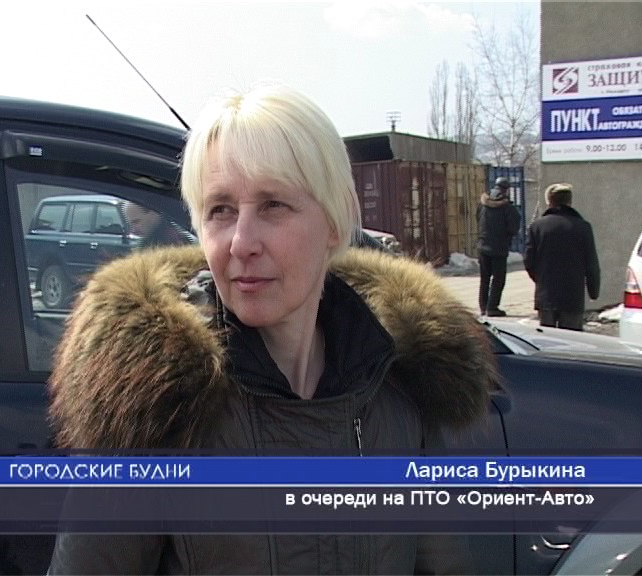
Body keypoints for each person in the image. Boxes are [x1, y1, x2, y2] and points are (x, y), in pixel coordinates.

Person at [47, 84, 499, 574]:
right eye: (220, 210)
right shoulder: (155, 403)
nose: (241, 242)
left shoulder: (397, 385)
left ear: (334, 221)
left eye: (273, 205)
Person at [524, 182, 600, 331]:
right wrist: (593, 291)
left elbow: (528, 261)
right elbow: (591, 263)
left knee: (547, 338)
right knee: (571, 340)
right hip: (573, 296)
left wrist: (541, 280)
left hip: (546, 295)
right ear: (569, 202)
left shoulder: (537, 227)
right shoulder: (583, 227)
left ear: (549, 202)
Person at [476, 176, 521, 317]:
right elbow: (513, 228)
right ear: (506, 190)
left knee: (485, 278)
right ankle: (492, 307)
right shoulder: (508, 208)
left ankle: (483, 307)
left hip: (483, 246)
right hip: (499, 248)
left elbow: (478, 219)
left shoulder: (483, 204)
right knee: (498, 279)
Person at [122, 201, 196, 247]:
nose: (134, 230)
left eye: (136, 222)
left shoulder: (173, 240)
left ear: (153, 214)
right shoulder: (150, 241)